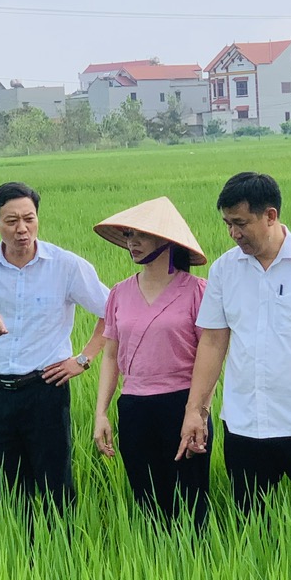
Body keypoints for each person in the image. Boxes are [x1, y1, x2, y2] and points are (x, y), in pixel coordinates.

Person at [176, 172, 291, 519]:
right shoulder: (224, 271)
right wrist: (195, 410)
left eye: (241, 223)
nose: (233, 233)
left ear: (270, 216)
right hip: (245, 424)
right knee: (250, 527)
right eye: (228, 223)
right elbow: (213, 343)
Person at [0, 181, 109, 517]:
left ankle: (62, 557)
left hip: (46, 390)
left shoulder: (66, 265)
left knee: (56, 485)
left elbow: (113, 312)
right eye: (11, 221)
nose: (22, 229)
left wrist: (83, 359)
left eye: (29, 218)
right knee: (7, 487)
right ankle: (19, 557)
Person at [92, 197, 211, 530]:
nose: (133, 242)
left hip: (183, 405)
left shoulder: (197, 291)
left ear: (167, 240)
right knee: (147, 505)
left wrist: (199, 412)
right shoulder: (119, 292)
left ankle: (198, 572)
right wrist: (101, 412)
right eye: (129, 235)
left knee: (191, 504)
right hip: (134, 408)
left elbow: (210, 356)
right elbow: (111, 355)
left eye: (141, 235)